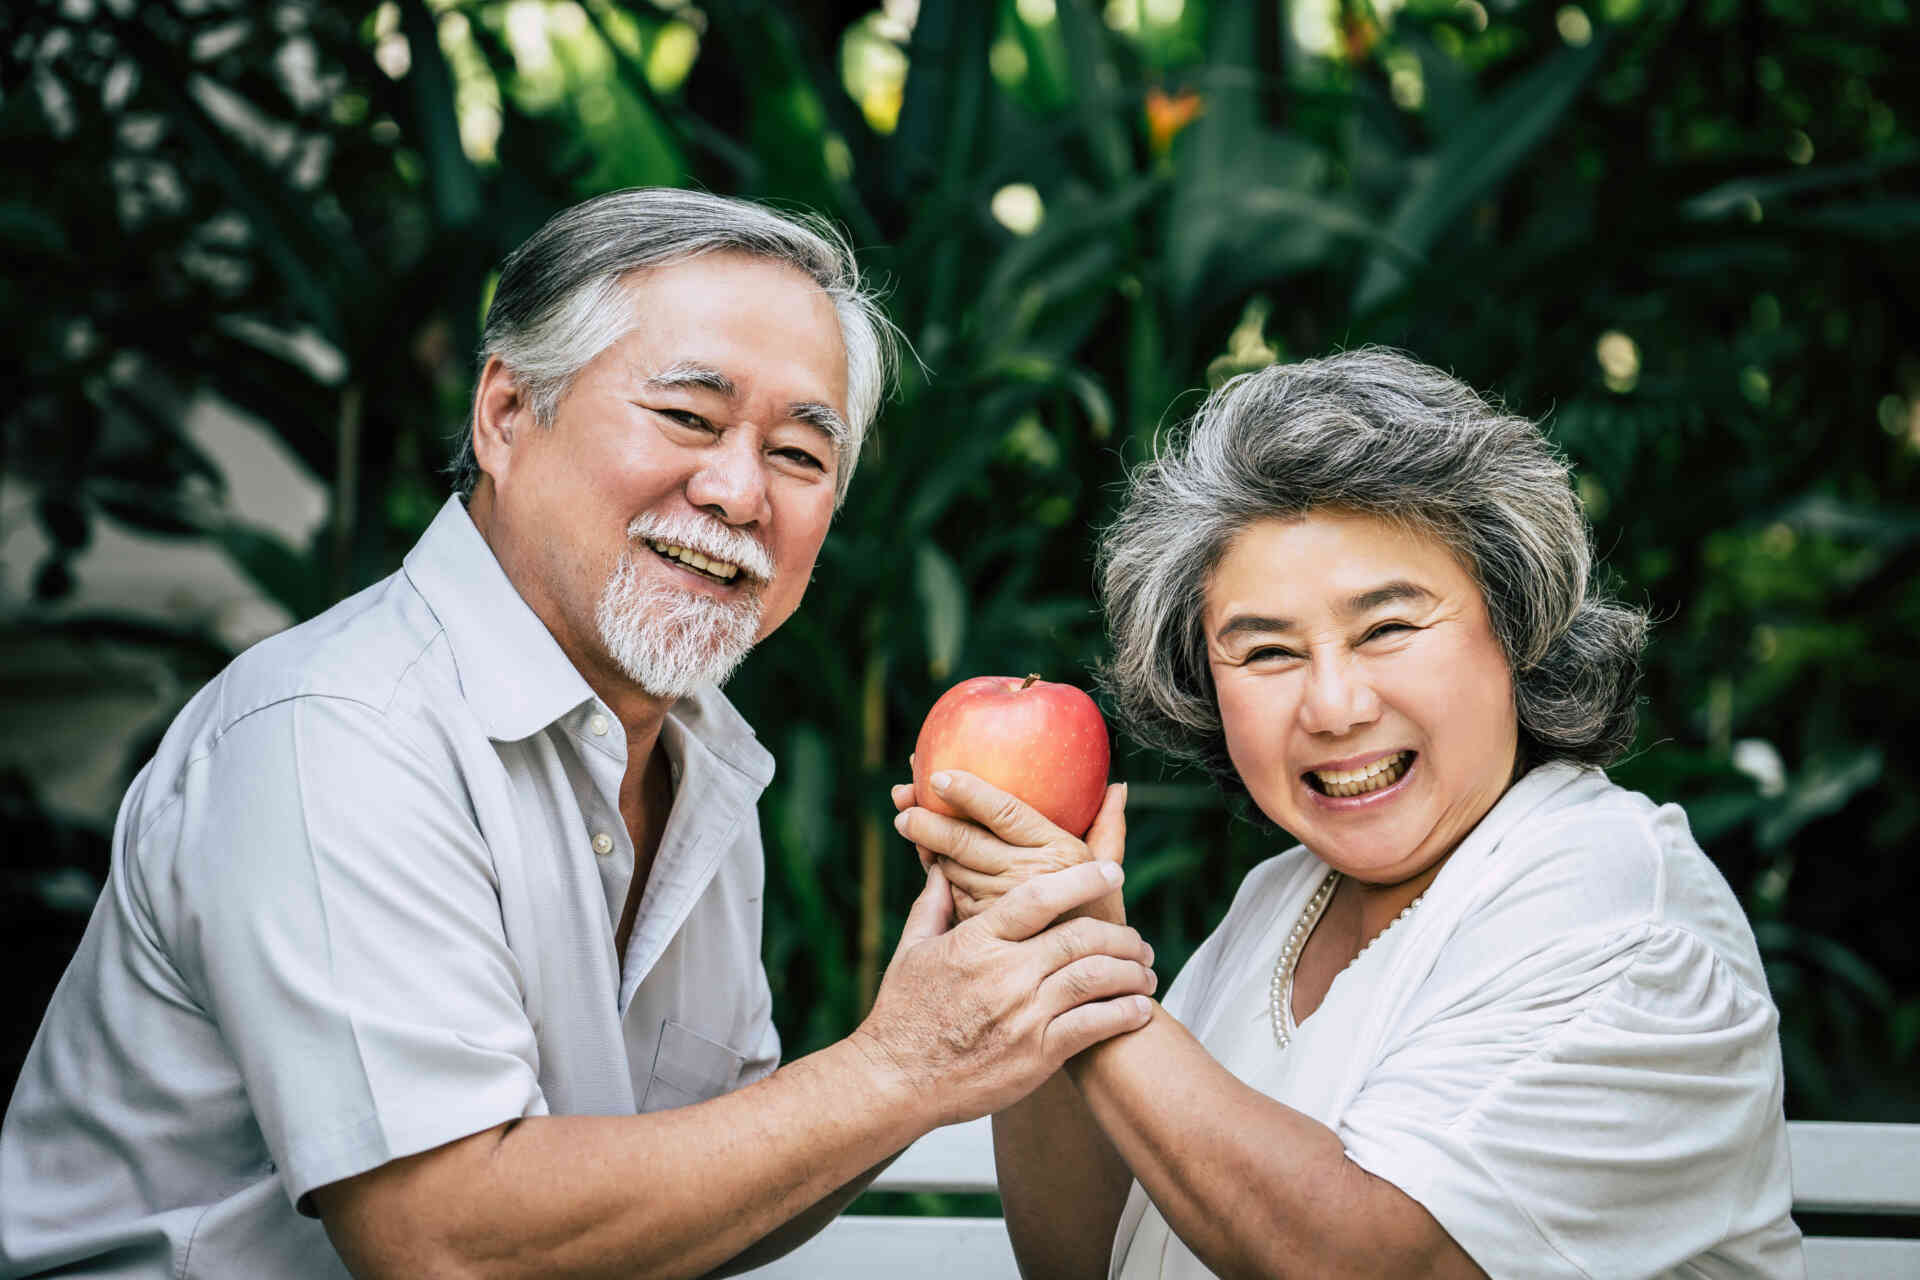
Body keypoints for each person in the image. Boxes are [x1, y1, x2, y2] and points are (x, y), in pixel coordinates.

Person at [0, 188, 1158, 1279]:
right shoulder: (338, 732)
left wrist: (992, 1008)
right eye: (687, 416)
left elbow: (706, 1195)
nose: (739, 491)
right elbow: (442, 1239)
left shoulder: (696, 754)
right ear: (506, 414)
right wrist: (900, 1063)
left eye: (801, 455)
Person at [894, 348, 1804, 1278]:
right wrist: (1023, 947)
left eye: (1388, 629)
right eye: (1268, 652)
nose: (1334, 707)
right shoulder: (1280, 899)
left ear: (1515, 625)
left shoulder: (1616, 903)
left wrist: (1079, 967)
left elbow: (1361, 1264)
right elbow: (1082, 1263)